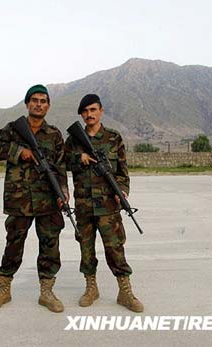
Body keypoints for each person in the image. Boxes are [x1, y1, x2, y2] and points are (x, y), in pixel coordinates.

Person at [0, 84, 68, 313]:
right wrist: (18, 152)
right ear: (27, 103)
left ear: (48, 106)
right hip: (19, 200)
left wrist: (63, 193)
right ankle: (3, 289)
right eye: (35, 100)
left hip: (48, 202)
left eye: (43, 101)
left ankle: (47, 292)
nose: (39, 104)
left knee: (50, 246)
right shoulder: (14, 129)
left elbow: (60, 168)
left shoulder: (54, 135)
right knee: (13, 245)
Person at [64, 94, 144, 312]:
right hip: (83, 206)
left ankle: (125, 292)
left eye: (93, 110)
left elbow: (123, 172)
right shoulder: (73, 140)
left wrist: (123, 192)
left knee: (115, 248)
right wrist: (78, 159)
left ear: (101, 111)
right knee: (86, 249)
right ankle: (91, 288)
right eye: (85, 111)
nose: (89, 114)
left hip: (108, 206)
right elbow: (62, 163)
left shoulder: (113, 138)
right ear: (81, 114)